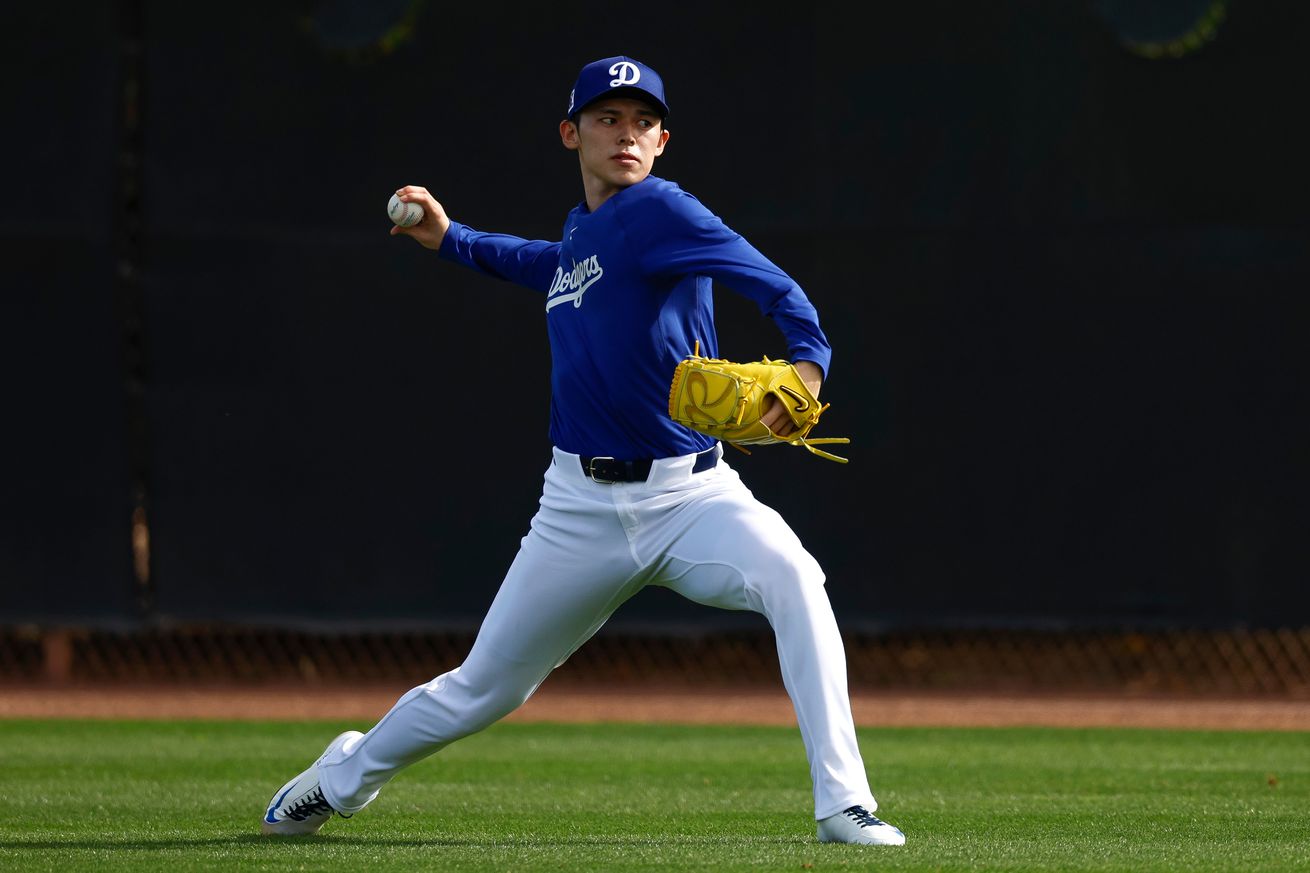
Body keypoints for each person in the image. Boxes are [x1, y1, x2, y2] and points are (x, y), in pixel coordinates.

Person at [260, 55, 905, 847]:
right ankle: (338, 779)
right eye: (607, 118)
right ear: (572, 133)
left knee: (796, 577)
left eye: (642, 122)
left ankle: (843, 803)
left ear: (663, 140)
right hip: (578, 510)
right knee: (483, 689)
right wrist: (453, 237)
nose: (625, 133)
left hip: (693, 495)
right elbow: (547, 264)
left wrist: (805, 370)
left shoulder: (662, 210)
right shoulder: (582, 231)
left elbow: (778, 288)